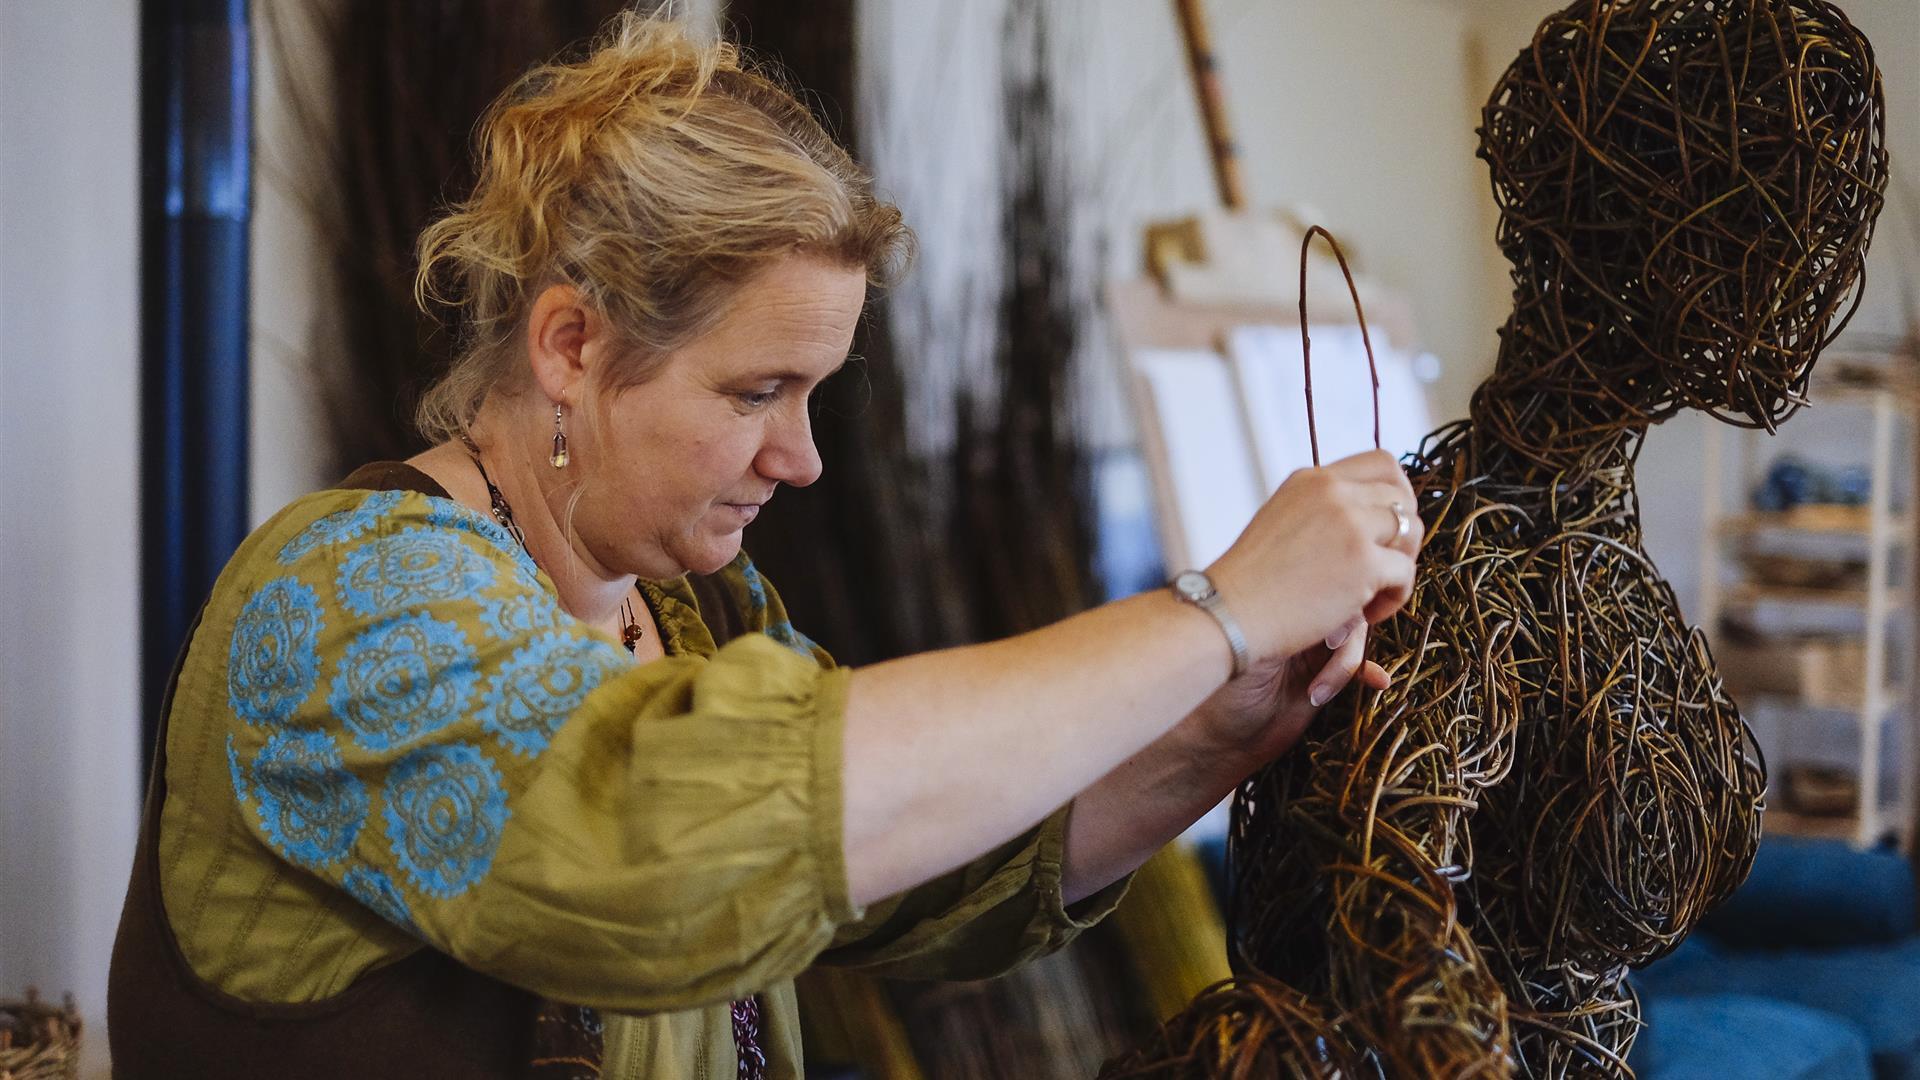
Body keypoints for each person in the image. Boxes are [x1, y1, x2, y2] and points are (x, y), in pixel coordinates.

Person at [107, 14, 1420, 1079]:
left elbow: (923, 861)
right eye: (754, 393)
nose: (803, 458)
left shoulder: (698, 614)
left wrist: (1221, 725)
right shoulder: (347, 607)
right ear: (573, 346)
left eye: (812, 395)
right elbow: (667, 835)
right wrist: (1214, 613)